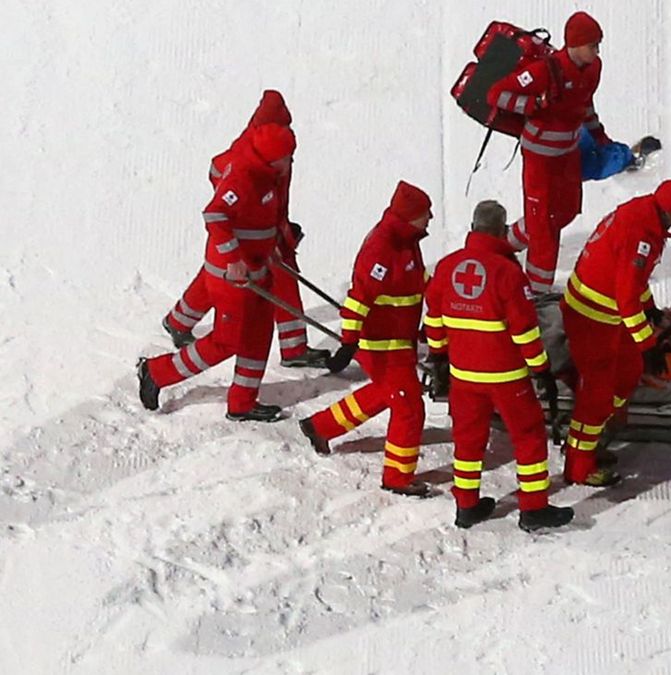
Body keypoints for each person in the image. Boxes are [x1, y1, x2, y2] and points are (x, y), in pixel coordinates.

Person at [423, 200, 575, 531]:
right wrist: (541, 369)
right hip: (507, 377)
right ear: (503, 231)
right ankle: (533, 508)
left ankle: (467, 505)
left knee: (467, 440)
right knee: (529, 436)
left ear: (473, 228)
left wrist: (438, 356)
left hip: (464, 376)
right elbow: (525, 330)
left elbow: (433, 318)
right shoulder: (508, 273)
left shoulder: (447, 267)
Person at [137, 124, 296, 422]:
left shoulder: (268, 177)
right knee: (227, 341)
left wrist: (274, 244)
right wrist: (234, 258)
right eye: (286, 157)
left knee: (258, 336)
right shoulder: (243, 178)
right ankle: (156, 372)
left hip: (258, 271)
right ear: (272, 158)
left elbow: (259, 219)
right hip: (231, 279)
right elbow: (214, 215)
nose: (290, 162)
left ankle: (242, 403)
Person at [161, 90, 330, 368]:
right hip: (249, 231)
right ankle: (294, 348)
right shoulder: (252, 151)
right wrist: (244, 215)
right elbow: (220, 177)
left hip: (265, 229)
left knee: (216, 277)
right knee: (271, 279)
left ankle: (179, 320)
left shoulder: (276, 150)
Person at [297, 182, 432, 496]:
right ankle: (397, 477)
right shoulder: (383, 248)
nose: (430, 218)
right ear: (410, 216)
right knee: (409, 406)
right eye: (425, 213)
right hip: (381, 345)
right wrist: (348, 342)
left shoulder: (406, 240)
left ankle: (320, 426)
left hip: (398, 340)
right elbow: (360, 298)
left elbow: (415, 279)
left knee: (387, 392)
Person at [560, 179, 671, 486]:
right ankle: (579, 466)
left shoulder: (641, 214)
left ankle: (596, 436)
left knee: (628, 371)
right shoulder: (641, 236)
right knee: (597, 395)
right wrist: (648, 345)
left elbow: (632, 280)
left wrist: (651, 310)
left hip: (602, 313)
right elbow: (626, 297)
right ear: (670, 212)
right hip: (592, 319)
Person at [486, 11, 608, 294]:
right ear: (575, 44)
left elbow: (585, 102)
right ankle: (536, 292)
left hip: (568, 154)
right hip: (539, 158)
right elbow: (497, 95)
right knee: (543, 224)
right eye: (593, 45)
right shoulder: (544, 71)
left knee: (566, 211)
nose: (597, 51)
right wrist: (534, 105)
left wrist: (599, 134)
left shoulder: (593, 68)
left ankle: (502, 243)